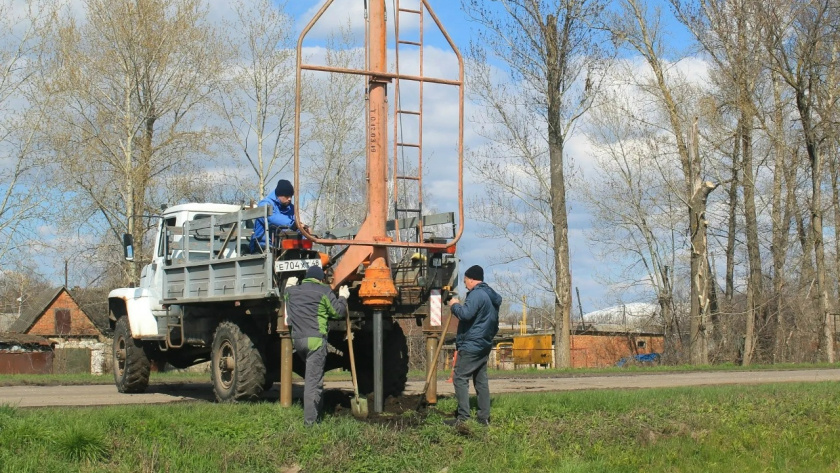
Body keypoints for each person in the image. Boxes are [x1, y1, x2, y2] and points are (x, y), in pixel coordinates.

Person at [284, 265, 350, 426]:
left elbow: (286, 296)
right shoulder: (323, 291)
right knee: (313, 383)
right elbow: (337, 312)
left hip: (298, 341)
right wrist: (343, 297)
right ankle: (310, 423)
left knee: (313, 376)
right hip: (315, 342)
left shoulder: (292, 292)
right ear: (321, 279)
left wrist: (288, 286)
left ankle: (317, 411)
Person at [445, 264, 501, 427]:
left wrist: (454, 305)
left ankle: (463, 418)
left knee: (460, 377)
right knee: (480, 380)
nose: (464, 285)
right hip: (484, 343)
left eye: (465, 281)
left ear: (471, 279)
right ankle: (484, 418)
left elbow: (465, 314)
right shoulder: (490, 295)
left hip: (472, 344)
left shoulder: (477, 295)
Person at [250, 178, 297, 253]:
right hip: (262, 246)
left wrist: (304, 230)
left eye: (291, 196)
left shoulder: (291, 208)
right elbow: (271, 218)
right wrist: (293, 224)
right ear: (279, 195)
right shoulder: (265, 204)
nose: (290, 199)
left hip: (283, 245)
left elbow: (296, 225)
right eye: (287, 196)